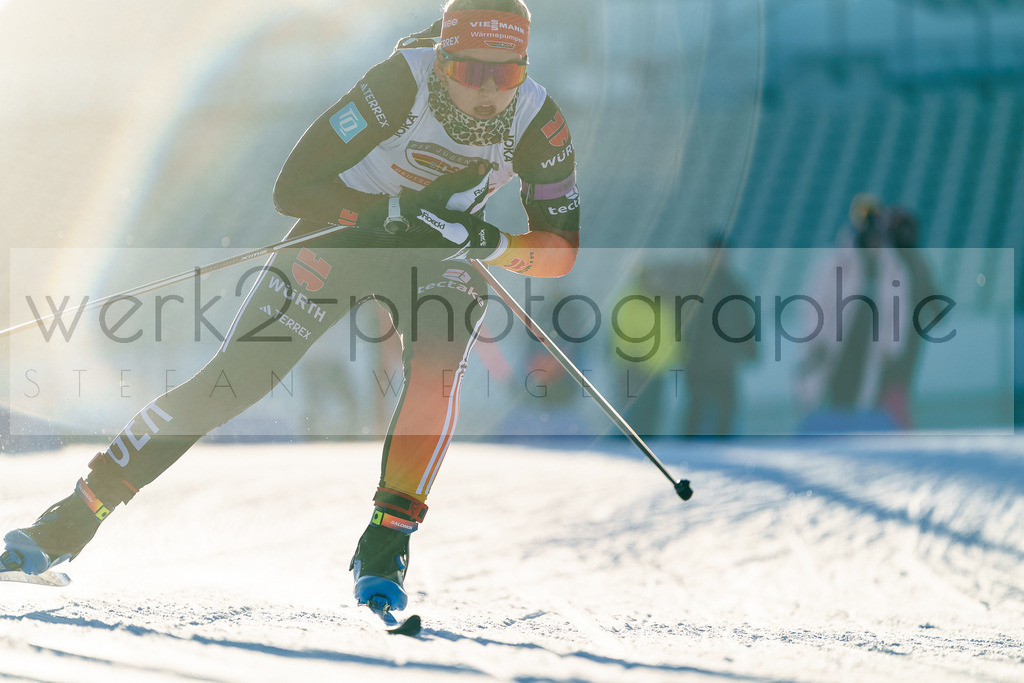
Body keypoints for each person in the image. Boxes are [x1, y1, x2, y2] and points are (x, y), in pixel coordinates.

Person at [1, 0, 580, 613]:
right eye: (470, 74)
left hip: (438, 250)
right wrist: (389, 213)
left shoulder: (540, 122)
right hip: (346, 234)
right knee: (230, 383)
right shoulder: (396, 84)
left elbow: (559, 252)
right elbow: (295, 187)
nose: (488, 93)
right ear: (442, 61)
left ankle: (386, 543)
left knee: (439, 365)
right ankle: (69, 520)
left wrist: (489, 240)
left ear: (523, 65)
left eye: (506, 74)